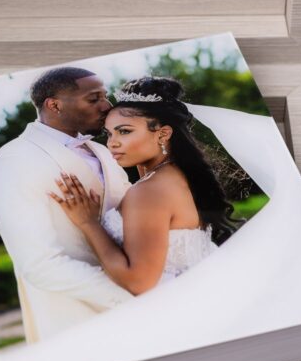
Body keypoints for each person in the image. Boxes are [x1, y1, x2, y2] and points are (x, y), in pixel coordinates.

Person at [0, 66, 134, 343]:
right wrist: (131, 297)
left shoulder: (104, 150)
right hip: (75, 321)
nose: (107, 105)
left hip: (139, 307)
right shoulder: (12, 163)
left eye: (105, 96)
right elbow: (41, 265)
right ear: (55, 105)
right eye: (94, 98)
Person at [49, 76, 242, 294]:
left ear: (163, 134)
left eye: (124, 131)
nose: (112, 142)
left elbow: (138, 282)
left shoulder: (149, 191)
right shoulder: (177, 175)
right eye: (109, 133)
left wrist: (88, 223)